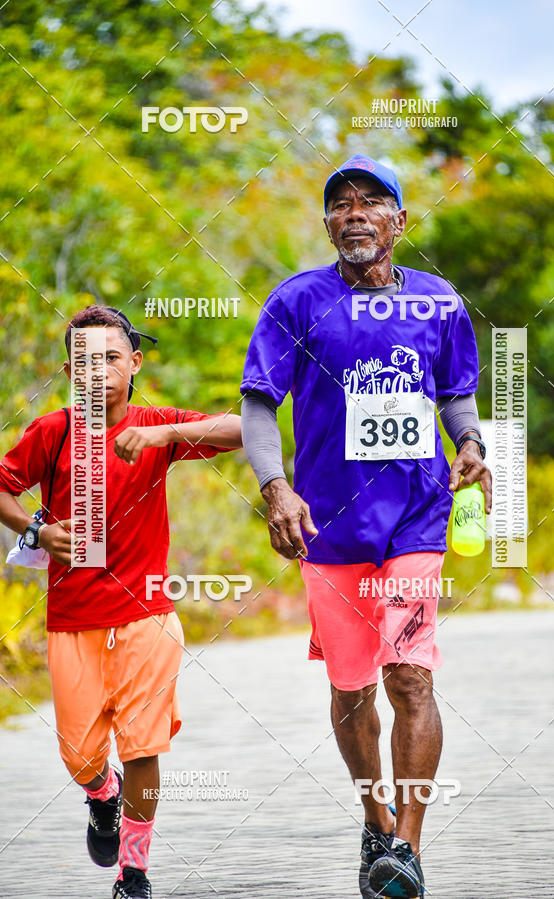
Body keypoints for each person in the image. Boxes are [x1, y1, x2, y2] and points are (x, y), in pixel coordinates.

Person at [240, 155, 492, 898]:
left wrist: (471, 445)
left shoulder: (438, 302)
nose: (353, 212)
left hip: (416, 518)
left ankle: (406, 851)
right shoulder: (297, 301)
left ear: (400, 223)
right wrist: (276, 486)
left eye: (371, 202)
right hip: (329, 526)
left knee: (410, 674)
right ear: (327, 224)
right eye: (340, 204)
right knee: (353, 690)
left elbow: (457, 395)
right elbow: (258, 402)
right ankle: (375, 819)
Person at [0, 305, 242, 899]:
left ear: (133, 363)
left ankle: (133, 873)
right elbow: (2, 486)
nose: (99, 369)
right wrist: (35, 531)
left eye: (111, 357)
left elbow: (242, 430)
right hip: (72, 617)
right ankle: (99, 795)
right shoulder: (52, 433)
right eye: (86, 360)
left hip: (148, 617)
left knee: (143, 745)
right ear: (68, 370)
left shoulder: (156, 425)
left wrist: (166, 433)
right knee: (80, 755)